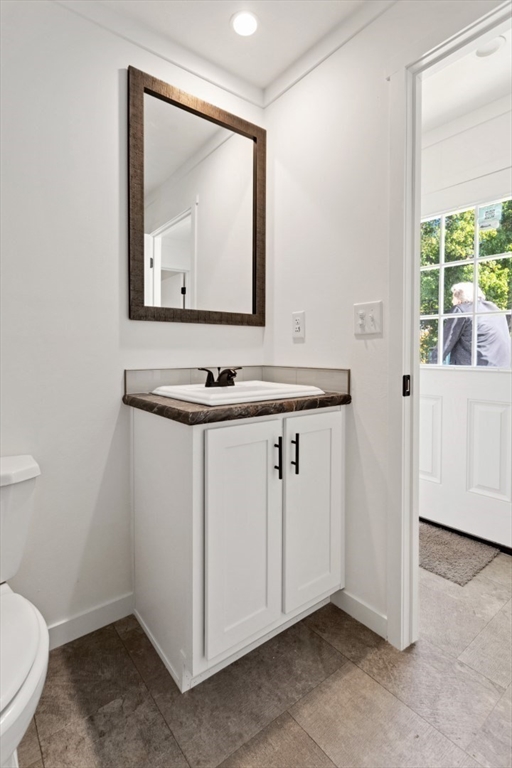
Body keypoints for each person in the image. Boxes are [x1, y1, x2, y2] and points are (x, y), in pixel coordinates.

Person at [440, 282, 511, 367]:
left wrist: (430, 369)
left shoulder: (461, 310)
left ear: (459, 299)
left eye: (453, 298)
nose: (452, 301)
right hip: (503, 371)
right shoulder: (496, 310)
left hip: (474, 373)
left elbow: (444, 344)